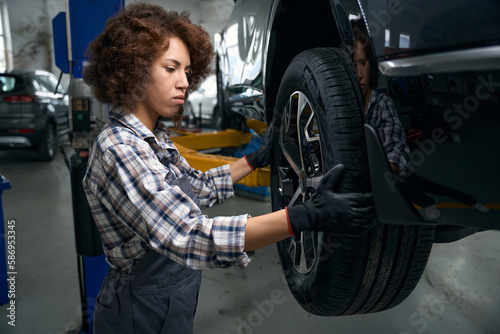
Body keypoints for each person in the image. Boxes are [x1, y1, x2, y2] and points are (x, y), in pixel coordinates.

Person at [81, 4, 376, 333]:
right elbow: (189, 236)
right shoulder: (121, 150)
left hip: (170, 296)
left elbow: (200, 186)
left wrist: (255, 159)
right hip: (136, 308)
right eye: (171, 68)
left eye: (188, 72)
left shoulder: (154, 139)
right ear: (132, 70)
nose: (184, 83)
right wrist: (304, 216)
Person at [352, 31, 489, 220]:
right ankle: (429, 204)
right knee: (402, 193)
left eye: (363, 64)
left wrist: (390, 167)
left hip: (393, 169)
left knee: (433, 186)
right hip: (379, 172)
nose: (358, 74)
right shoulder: (349, 106)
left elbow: (395, 139)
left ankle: (473, 202)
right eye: (354, 66)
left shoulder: (381, 102)